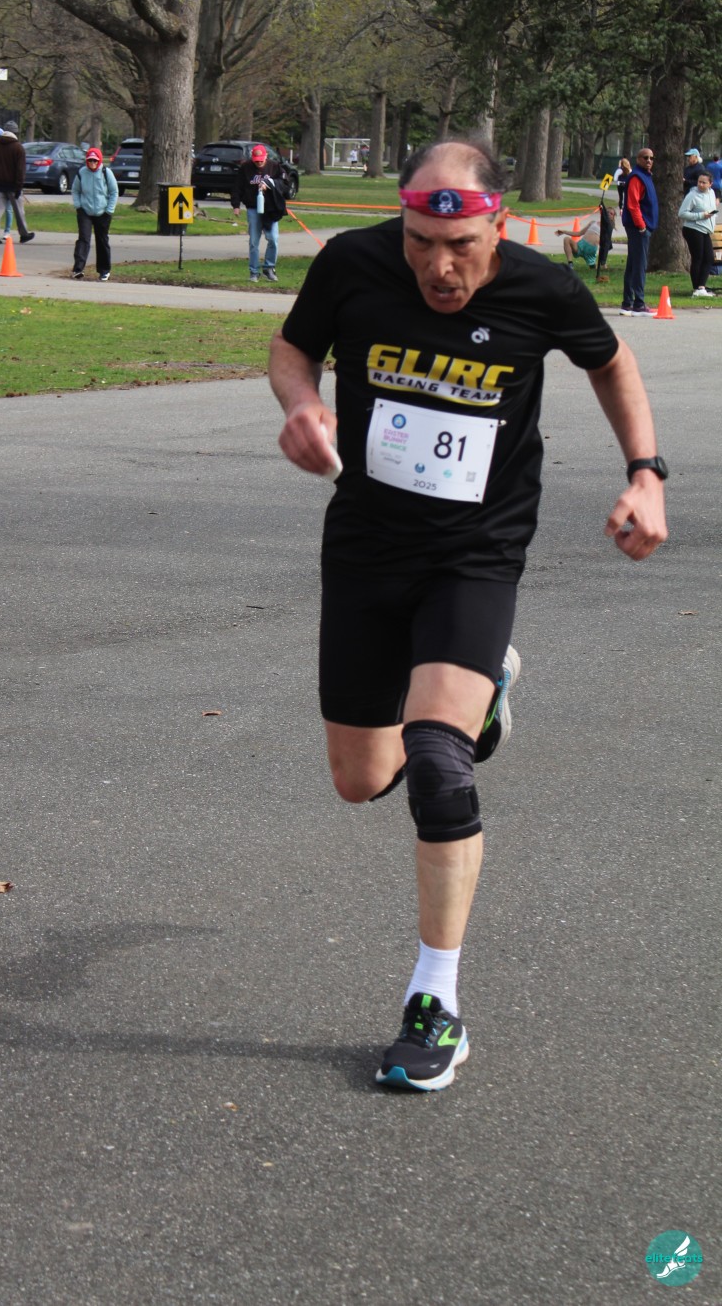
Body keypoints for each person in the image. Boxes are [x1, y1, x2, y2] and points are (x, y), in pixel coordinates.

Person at [268, 137, 667, 1093]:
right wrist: (301, 405)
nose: (439, 268)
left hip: (476, 550)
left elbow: (611, 363)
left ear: (498, 223)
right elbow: (293, 348)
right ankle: (488, 688)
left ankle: (434, 1004)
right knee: (362, 780)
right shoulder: (351, 264)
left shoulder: (543, 287)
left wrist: (645, 474)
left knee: (439, 768)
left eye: (462, 248)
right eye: (420, 244)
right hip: (366, 544)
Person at [230, 143, 287, 283]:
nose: (259, 163)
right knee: (254, 242)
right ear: (252, 158)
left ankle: (269, 267)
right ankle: (254, 271)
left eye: (261, 160)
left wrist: (269, 183)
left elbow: (284, 183)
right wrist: (236, 205)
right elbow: (237, 186)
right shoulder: (245, 168)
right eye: (256, 161)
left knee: (273, 239)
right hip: (253, 208)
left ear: (266, 157)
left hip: (270, 209)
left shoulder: (275, 166)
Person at [70, 146, 118, 281]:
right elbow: (75, 190)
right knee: (83, 239)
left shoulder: (106, 172)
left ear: (99, 161)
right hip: (85, 211)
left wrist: (109, 210)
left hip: (103, 212)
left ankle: (104, 270)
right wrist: (78, 206)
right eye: (90, 160)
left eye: (95, 161)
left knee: (102, 240)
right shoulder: (81, 173)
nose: (92, 163)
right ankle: (78, 269)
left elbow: (114, 192)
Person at [620, 148, 658, 317]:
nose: (649, 160)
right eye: (645, 157)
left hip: (641, 227)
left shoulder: (646, 176)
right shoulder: (636, 177)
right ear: (638, 159)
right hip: (638, 228)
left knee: (633, 264)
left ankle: (627, 303)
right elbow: (632, 204)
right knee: (640, 265)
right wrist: (641, 226)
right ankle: (639, 304)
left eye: (651, 158)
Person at [0, 121, 35, 246]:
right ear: (16, 133)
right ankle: (23, 234)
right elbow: (20, 170)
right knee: (19, 211)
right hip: (13, 185)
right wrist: (19, 186)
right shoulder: (18, 148)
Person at [677, 171, 717, 299]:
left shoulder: (711, 193)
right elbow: (682, 213)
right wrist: (701, 215)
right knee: (698, 258)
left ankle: (701, 287)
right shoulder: (692, 195)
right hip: (693, 229)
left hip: (705, 230)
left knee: (709, 258)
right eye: (699, 182)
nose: (700, 184)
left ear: (710, 184)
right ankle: (696, 288)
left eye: (704, 182)